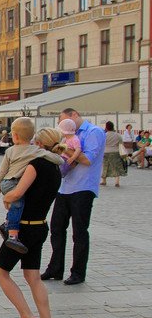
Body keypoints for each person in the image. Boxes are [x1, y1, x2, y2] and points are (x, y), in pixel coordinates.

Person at [0, 127, 67, 318]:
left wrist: (7, 199)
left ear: (40, 144)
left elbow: (17, 192)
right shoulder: (56, 167)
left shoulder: (36, 165)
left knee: (0, 272)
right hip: (40, 225)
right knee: (33, 276)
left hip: (23, 227)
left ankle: (27, 316)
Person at [41, 108, 106, 285]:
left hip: (83, 187)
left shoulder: (94, 132)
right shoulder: (68, 135)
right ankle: (55, 268)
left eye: (64, 121)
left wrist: (65, 149)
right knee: (56, 228)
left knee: (79, 232)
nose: (63, 126)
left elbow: (87, 160)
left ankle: (78, 272)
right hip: (65, 187)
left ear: (74, 115)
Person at [0, 118, 64, 254]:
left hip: (6, 182)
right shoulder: (36, 151)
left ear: (14, 135)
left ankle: (7, 224)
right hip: (13, 183)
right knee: (18, 203)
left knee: (17, 204)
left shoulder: (10, 150)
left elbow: (2, 170)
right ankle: (12, 234)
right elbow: (58, 159)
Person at [101, 121, 126, 187]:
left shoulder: (104, 135)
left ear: (106, 127)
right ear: (113, 127)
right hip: (115, 152)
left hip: (105, 152)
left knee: (105, 166)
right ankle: (117, 182)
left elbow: (101, 145)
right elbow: (121, 144)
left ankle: (104, 181)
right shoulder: (117, 135)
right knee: (116, 167)